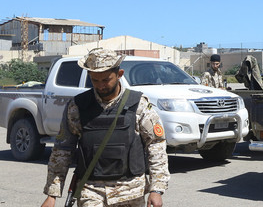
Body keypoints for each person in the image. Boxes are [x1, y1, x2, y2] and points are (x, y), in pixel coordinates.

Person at [41, 48, 170, 207]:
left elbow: (156, 145)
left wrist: (156, 189)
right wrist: (52, 194)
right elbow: (62, 150)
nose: (101, 86)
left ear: (119, 74)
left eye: (106, 80)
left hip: (130, 191)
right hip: (90, 191)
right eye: (95, 80)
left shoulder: (139, 105)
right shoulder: (77, 106)